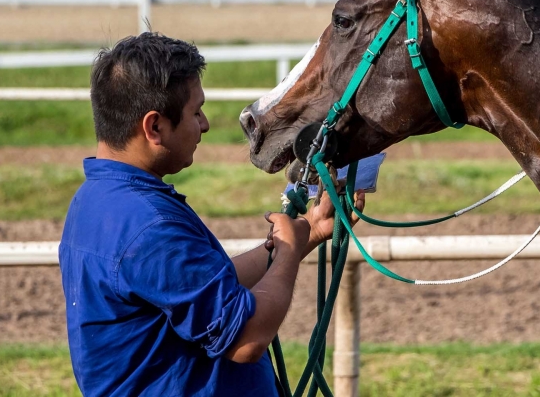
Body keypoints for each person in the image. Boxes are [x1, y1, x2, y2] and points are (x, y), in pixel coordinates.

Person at [59, 33, 364, 396]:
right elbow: (247, 337)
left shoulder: (98, 201)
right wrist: (284, 255)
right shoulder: (150, 226)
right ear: (154, 127)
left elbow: (199, 288)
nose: (204, 124)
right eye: (196, 112)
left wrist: (307, 233)